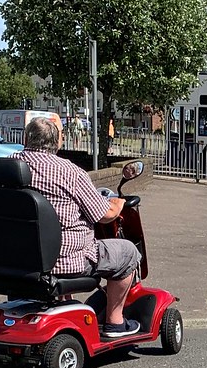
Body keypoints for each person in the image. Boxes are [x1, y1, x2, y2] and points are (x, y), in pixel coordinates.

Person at [12, 117, 141, 338]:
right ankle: (115, 322)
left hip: (14, 260)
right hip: (65, 262)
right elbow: (105, 215)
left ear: (25, 138)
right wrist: (118, 204)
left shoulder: (8, 165)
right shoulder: (69, 172)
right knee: (127, 252)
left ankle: (65, 307)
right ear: (57, 142)